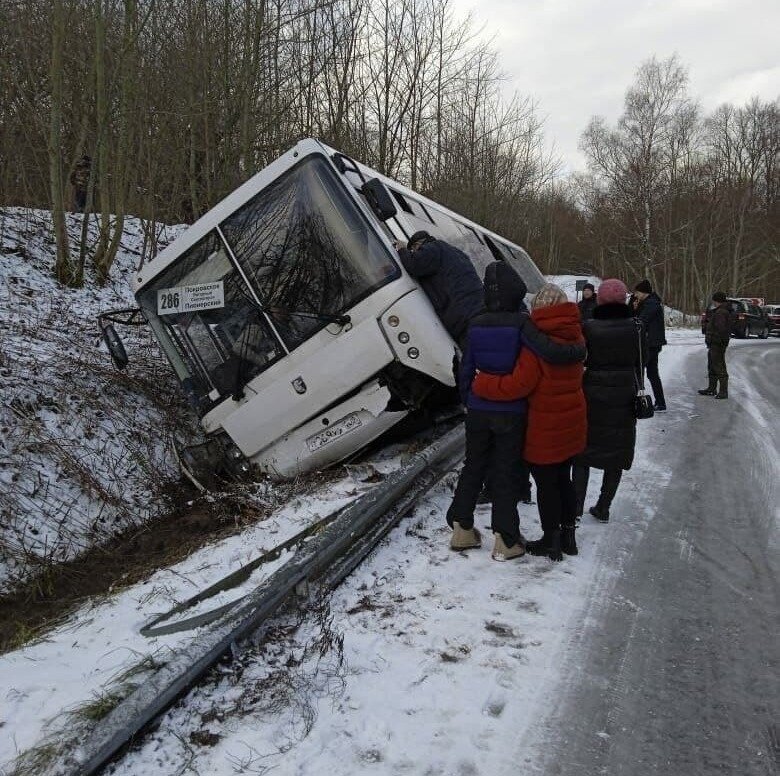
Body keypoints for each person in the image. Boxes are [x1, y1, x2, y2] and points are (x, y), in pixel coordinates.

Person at [471, 283, 587, 561]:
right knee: (564, 478)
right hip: (572, 420)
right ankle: (569, 536)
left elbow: (518, 385)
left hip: (545, 425)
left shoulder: (535, 344)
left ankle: (551, 540)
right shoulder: (576, 335)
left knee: (547, 484)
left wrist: (483, 382)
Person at [572, 279, 640, 525]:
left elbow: (580, 358)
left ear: (599, 299)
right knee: (617, 452)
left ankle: (575, 507)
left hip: (593, 391)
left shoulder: (589, 327)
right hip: (625, 393)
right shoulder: (636, 327)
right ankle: (603, 506)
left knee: (582, 451)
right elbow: (641, 361)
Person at [394, 231, 483, 349]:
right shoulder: (455, 252)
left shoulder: (433, 248)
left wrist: (402, 250)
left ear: (417, 245)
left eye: (414, 251)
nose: (414, 253)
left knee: (474, 353)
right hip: (477, 312)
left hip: (463, 317)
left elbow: (414, 265)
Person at [633, 279, 667, 411]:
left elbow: (641, 321)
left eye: (637, 292)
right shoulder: (649, 303)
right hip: (651, 342)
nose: (635, 295)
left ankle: (640, 401)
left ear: (643, 292)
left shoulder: (651, 304)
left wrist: (636, 311)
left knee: (641, 371)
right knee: (651, 373)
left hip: (650, 343)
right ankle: (660, 402)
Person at [699, 291, 731, 399]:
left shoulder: (721, 312)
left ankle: (723, 391)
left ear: (717, 300)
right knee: (712, 365)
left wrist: (715, 338)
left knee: (719, 366)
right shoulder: (719, 311)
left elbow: (721, 329)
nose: (713, 303)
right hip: (714, 343)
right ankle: (711, 388)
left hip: (717, 343)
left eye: (714, 300)